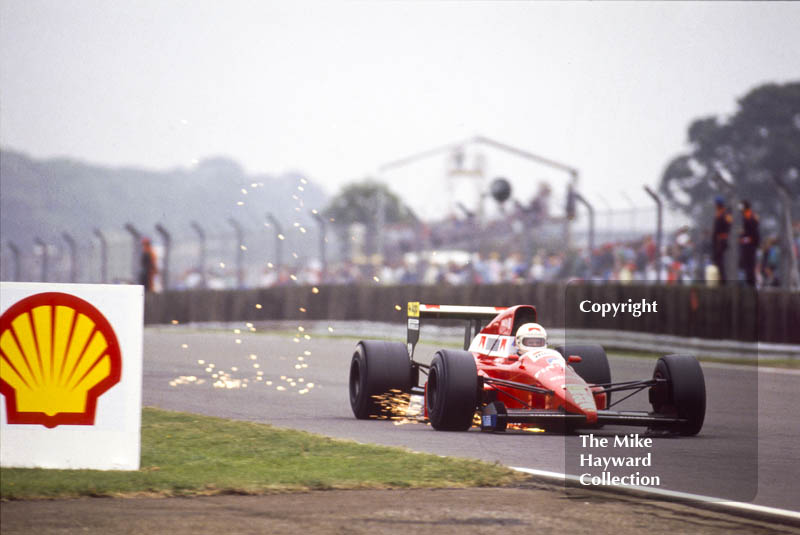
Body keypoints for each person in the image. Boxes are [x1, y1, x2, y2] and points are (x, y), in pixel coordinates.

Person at [739, 200, 760, 287]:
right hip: (748, 244)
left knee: (750, 265)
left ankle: (751, 284)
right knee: (747, 265)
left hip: (750, 245)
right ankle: (749, 283)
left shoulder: (750, 217)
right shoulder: (747, 217)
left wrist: (744, 237)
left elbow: (753, 233)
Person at [711, 196, 732, 284]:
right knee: (717, 260)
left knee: (719, 261)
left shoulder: (724, 214)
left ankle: (722, 280)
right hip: (717, 241)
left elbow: (726, 227)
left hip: (721, 241)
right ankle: (719, 279)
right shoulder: (720, 213)